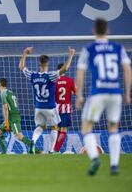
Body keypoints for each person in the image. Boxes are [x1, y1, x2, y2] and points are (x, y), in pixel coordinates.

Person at [76, 18, 131, 176]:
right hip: (115, 93)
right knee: (113, 128)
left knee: (86, 127)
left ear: (94, 31)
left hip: (97, 94)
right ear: (108, 31)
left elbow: (80, 73)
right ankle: (114, 165)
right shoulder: (118, 47)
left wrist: (79, 95)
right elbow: (127, 70)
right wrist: (127, 93)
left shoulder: (89, 49)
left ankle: (95, 158)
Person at [19, 47, 75, 153]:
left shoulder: (33, 75)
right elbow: (65, 69)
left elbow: (21, 67)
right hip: (50, 107)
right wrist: (71, 55)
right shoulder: (51, 76)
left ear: (39, 64)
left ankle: (32, 142)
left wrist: (25, 53)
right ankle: (52, 150)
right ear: (47, 64)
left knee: (41, 126)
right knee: (54, 127)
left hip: (38, 107)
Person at [0, 78, 35, 154]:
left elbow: (5, 108)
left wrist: (6, 121)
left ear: (0, 84)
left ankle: (32, 145)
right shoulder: (10, 92)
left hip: (13, 118)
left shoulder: (3, 93)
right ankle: (4, 152)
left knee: (19, 136)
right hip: (11, 116)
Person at [53, 63, 77, 153]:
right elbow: (76, 93)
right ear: (65, 70)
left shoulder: (54, 81)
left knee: (57, 129)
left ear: (57, 70)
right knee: (63, 130)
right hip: (65, 108)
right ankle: (56, 150)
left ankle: (54, 149)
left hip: (55, 108)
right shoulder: (70, 80)